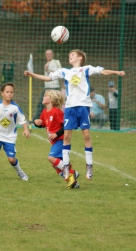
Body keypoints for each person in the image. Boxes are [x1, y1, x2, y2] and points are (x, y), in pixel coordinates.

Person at [24, 49, 125, 183]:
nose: (69, 57)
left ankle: (89, 165)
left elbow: (103, 71)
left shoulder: (86, 69)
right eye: (69, 55)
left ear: (80, 58)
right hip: (70, 107)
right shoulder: (65, 71)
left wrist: (116, 72)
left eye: (72, 55)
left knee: (86, 135)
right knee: (66, 136)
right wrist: (32, 74)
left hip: (83, 106)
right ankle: (66, 167)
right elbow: (48, 78)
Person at [0, 82, 31, 181]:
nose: (9, 94)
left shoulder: (15, 108)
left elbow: (22, 119)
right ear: (2, 93)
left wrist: (26, 129)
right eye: (7, 92)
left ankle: (20, 172)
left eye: (11, 92)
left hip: (10, 137)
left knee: (11, 159)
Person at [34, 89, 79, 189]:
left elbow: (66, 126)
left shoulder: (57, 112)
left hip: (61, 141)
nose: (43, 97)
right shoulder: (45, 111)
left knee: (51, 158)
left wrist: (56, 134)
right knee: (55, 165)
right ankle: (74, 183)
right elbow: (43, 124)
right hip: (55, 142)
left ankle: (72, 173)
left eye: (46, 95)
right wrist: (36, 122)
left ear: (52, 100)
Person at [33, 49, 62, 120]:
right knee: (41, 103)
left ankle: (57, 118)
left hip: (54, 87)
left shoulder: (56, 62)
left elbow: (60, 72)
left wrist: (48, 70)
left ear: (52, 54)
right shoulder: (46, 64)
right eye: (47, 54)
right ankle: (37, 119)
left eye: (49, 54)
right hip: (47, 87)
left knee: (55, 104)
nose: (48, 55)